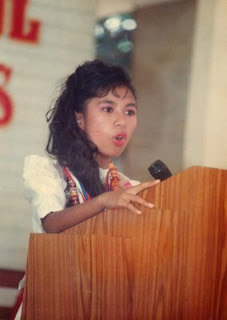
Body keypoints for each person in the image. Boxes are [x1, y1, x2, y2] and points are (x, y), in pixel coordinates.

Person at [13, 59, 159, 318]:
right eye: (107, 108)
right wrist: (103, 201)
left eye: (129, 111)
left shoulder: (129, 188)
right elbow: (53, 224)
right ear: (79, 119)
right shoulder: (47, 171)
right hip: (51, 305)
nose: (121, 122)